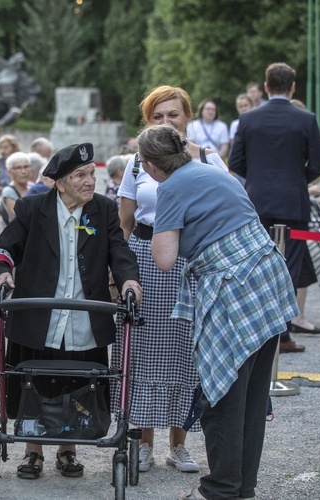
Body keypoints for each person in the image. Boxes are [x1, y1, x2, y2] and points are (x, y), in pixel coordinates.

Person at [140, 124, 298, 500]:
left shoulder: (171, 187)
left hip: (232, 290)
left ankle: (219, 490)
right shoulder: (214, 170)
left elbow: (164, 259)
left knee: (222, 395)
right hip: (268, 279)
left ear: (148, 164)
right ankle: (243, 489)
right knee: (252, 398)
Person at [0, 142, 141, 480]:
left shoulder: (102, 209)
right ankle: (32, 451)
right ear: (59, 182)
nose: (90, 181)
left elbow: (120, 251)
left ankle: (67, 449)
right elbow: (2, 249)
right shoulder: (32, 208)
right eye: (80, 176)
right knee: (34, 383)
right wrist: (1, 274)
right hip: (40, 318)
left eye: (91, 174)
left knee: (78, 386)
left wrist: (129, 281)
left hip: (85, 320)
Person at [117, 85, 226, 475]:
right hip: (146, 262)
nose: (166, 122)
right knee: (143, 351)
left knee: (186, 351)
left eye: (173, 115)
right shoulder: (135, 164)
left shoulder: (210, 160)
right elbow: (125, 223)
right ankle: (143, 442)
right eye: (158, 117)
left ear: (188, 117)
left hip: (191, 263)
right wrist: (118, 273)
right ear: (148, 121)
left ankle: (178, 445)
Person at [229, 62, 320, 354]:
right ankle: (281, 335)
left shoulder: (248, 120)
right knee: (289, 268)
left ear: (266, 87)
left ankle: (257, 333)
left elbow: (235, 163)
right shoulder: (306, 119)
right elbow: (318, 164)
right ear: (293, 87)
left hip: (257, 201)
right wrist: (297, 180)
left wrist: (258, 181)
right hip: (293, 202)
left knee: (257, 265)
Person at [1, 151, 31, 219]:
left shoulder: (33, 187)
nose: (23, 171)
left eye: (26, 167)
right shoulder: (8, 191)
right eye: (18, 168)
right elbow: (16, 216)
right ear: (10, 172)